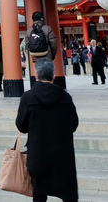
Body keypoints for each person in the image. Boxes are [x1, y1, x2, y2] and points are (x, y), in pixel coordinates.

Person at [15, 59, 79, 202]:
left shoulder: (28, 97)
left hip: (38, 155)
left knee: (38, 195)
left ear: (36, 76)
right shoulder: (65, 97)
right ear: (54, 76)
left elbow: (21, 126)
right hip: (63, 155)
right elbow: (74, 124)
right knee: (68, 194)